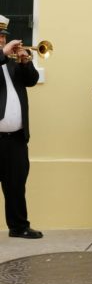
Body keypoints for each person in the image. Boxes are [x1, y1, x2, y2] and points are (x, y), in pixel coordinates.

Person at [0, 15, 42, 239]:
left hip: (15, 138)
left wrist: (25, 62)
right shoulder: (3, 57)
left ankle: (18, 227)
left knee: (16, 185)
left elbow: (32, 80)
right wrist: (3, 53)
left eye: (3, 37)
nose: (2, 40)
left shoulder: (13, 62)